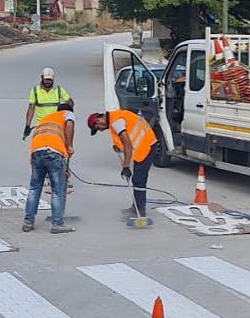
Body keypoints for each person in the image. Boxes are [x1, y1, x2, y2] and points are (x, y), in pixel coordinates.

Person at [86, 109, 157, 218]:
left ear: (98, 120)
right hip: (145, 144)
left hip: (146, 146)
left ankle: (140, 211)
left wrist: (126, 167)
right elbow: (126, 140)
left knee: (139, 179)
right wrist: (119, 147)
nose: (100, 130)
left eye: (98, 128)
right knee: (137, 179)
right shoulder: (114, 119)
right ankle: (136, 207)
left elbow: (128, 144)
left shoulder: (116, 122)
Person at [23, 98, 75, 234]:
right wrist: (70, 145)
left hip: (37, 154)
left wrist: (66, 168)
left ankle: (28, 222)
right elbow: (69, 126)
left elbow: (45, 140)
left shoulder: (45, 120)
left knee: (34, 188)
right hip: (53, 153)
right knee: (58, 190)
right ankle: (57, 223)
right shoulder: (67, 114)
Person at [23, 67, 72, 138]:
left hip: (56, 124)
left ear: (53, 79)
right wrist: (27, 125)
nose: (48, 82)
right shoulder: (35, 90)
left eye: (50, 80)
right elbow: (31, 108)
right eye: (46, 79)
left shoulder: (58, 90)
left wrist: (66, 114)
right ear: (42, 77)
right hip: (41, 125)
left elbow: (70, 103)